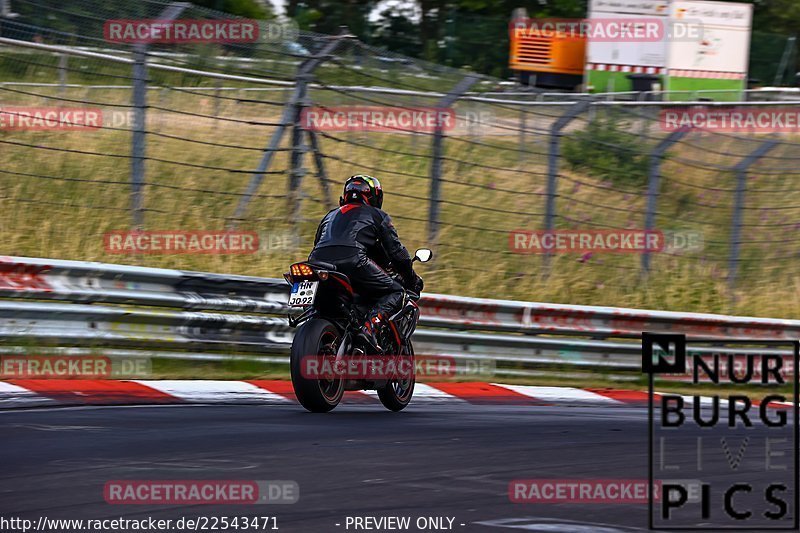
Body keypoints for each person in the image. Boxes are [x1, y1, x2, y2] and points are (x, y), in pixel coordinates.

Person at [308, 174, 423, 351]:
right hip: (354, 261)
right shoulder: (378, 215)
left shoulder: (329, 216)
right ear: (375, 197)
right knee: (397, 292)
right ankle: (369, 329)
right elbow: (397, 253)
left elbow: (318, 244)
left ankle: (314, 320)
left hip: (317, 263)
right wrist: (412, 279)